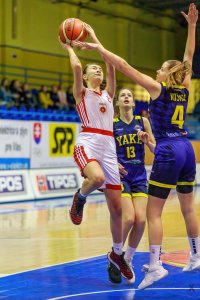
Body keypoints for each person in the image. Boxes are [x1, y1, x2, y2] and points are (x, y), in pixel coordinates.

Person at [73, 3, 200, 289]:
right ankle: (196, 255)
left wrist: (98, 47)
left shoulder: (159, 89)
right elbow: (188, 56)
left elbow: (123, 66)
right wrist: (192, 27)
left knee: (151, 215)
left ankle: (154, 265)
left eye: (160, 69)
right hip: (187, 148)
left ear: (167, 74)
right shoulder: (186, 86)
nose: (156, 71)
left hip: (168, 148)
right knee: (189, 209)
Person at [58, 26, 134, 282]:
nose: (99, 70)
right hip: (88, 141)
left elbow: (110, 62)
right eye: (95, 69)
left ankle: (116, 254)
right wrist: (69, 47)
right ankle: (79, 198)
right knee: (97, 179)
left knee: (117, 209)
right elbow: (77, 69)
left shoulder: (108, 94)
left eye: (99, 69)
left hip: (109, 147)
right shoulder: (81, 92)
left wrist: (95, 38)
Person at [108, 87, 156, 284]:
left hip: (139, 177)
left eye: (130, 95)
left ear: (134, 103)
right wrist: (113, 163)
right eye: (122, 96)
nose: (126, 97)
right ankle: (115, 255)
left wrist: (147, 141)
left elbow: (155, 147)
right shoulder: (112, 124)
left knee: (141, 221)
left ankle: (126, 260)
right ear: (117, 103)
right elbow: (105, 152)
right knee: (128, 218)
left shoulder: (142, 122)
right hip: (122, 177)